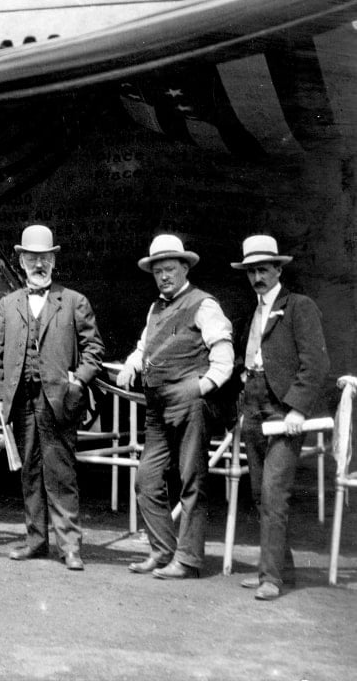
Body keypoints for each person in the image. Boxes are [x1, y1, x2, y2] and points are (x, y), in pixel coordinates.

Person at [116, 234, 234, 579]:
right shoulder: (155, 308)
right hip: (157, 408)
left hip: (191, 408)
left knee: (191, 480)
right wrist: (130, 365)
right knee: (146, 482)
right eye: (158, 271)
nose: (164, 276)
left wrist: (197, 389)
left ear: (184, 268)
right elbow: (144, 348)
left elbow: (224, 361)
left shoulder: (205, 304)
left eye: (170, 269)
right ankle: (163, 551)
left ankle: (189, 559)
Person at [0, 225, 104, 570]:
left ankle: (70, 546)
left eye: (44, 258)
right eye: (32, 259)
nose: (38, 265)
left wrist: (79, 381)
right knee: (30, 473)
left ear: (53, 260)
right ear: (21, 261)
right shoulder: (7, 304)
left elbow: (94, 347)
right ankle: (36, 541)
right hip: (20, 400)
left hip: (58, 401)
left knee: (61, 473)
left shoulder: (73, 301)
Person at [231, 235, 330, 601]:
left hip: (283, 410)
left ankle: (269, 577)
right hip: (253, 407)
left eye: (263, 269)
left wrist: (297, 408)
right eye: (251, 271)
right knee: (259, 494)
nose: (257, 276)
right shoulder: (252, 312)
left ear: (278, 270)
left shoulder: (298, 307)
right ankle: (280, 567)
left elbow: (316, 362)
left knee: (274, 493)